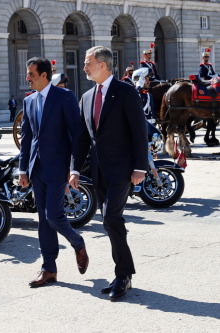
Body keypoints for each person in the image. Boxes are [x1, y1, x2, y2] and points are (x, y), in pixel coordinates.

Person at [69, 46, 148, 301]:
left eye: (88, 62)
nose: (84, 67)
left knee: (110, 219)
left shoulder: (125, 92)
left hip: (123, 170)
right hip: (99, 171)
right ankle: (124, 272)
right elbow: (81, 138)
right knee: (112, 222)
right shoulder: (87, 96)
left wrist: (140, 167)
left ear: (103, 65)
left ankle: (123, 275)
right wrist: (74, 169)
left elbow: (139, 131)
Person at [19, 57, 88, 288]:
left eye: (31, 74)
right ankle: (49, 268)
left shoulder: (64, 97)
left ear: (44, 75)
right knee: (43, 220)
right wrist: (22, 169)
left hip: (58, 167)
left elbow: (76, 134)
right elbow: (27, 137)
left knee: (53, 215)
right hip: (36, 167)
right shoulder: (28, 101)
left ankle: (77, 242)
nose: (27, 78)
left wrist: (74, 167)